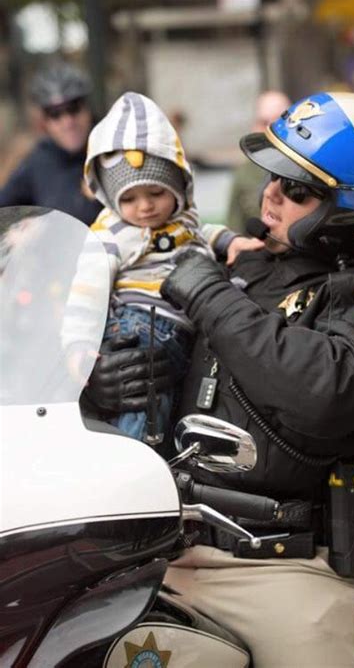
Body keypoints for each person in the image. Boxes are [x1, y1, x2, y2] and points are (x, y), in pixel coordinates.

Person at [86, 91, 354, 666]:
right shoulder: (234, 267)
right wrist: (99, 385)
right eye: (272, 174)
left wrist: (208, 293)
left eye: (296, 188)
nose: (270, 191)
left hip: (289, 572)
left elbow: (324, 392)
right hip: (160, 553)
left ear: (350, 209)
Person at [67, 91, 261, 444]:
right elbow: (87, 287)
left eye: (155, 193)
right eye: (128, 198)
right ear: (112, 200)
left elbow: (198, 234)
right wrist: (79, 344)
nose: (144, 208)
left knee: (174, 403)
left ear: (177, 185)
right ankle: (134, 457)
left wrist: (229, 241)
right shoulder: (113, 234)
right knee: (144, 400)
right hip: (140, 323)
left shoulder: (181, 217)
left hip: (179, 326)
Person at [0, 62, 102, 226]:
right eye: (55, 114)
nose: (68, 121)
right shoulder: (38, 161)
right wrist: (18, 227)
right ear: (45, 122)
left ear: (88, 108)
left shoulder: (111, 150)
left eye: (74, 108)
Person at [226, 90, 291, 235]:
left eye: (277, 122)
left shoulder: (311, 169)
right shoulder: (244, 174)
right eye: (263, 123)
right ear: (255, 126)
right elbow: (235, 230)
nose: (269, 130)